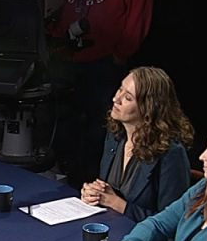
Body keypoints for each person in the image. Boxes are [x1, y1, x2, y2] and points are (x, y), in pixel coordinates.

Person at [46, 0, 154, 188]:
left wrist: (122, 53)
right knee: (61, 122)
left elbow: (139, 10)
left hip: (104, 63)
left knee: (103, 127)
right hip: (64, 58)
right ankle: (62, 182)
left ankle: (97, 183)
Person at [79, 66, 193, 221]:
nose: (115, 99)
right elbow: (106, 191)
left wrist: (118, 204)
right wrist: (94, 193)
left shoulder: (171, 153)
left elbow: (172, 222)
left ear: (149, 108)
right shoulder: (115, 135)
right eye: (120, 89)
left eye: (128, 98)